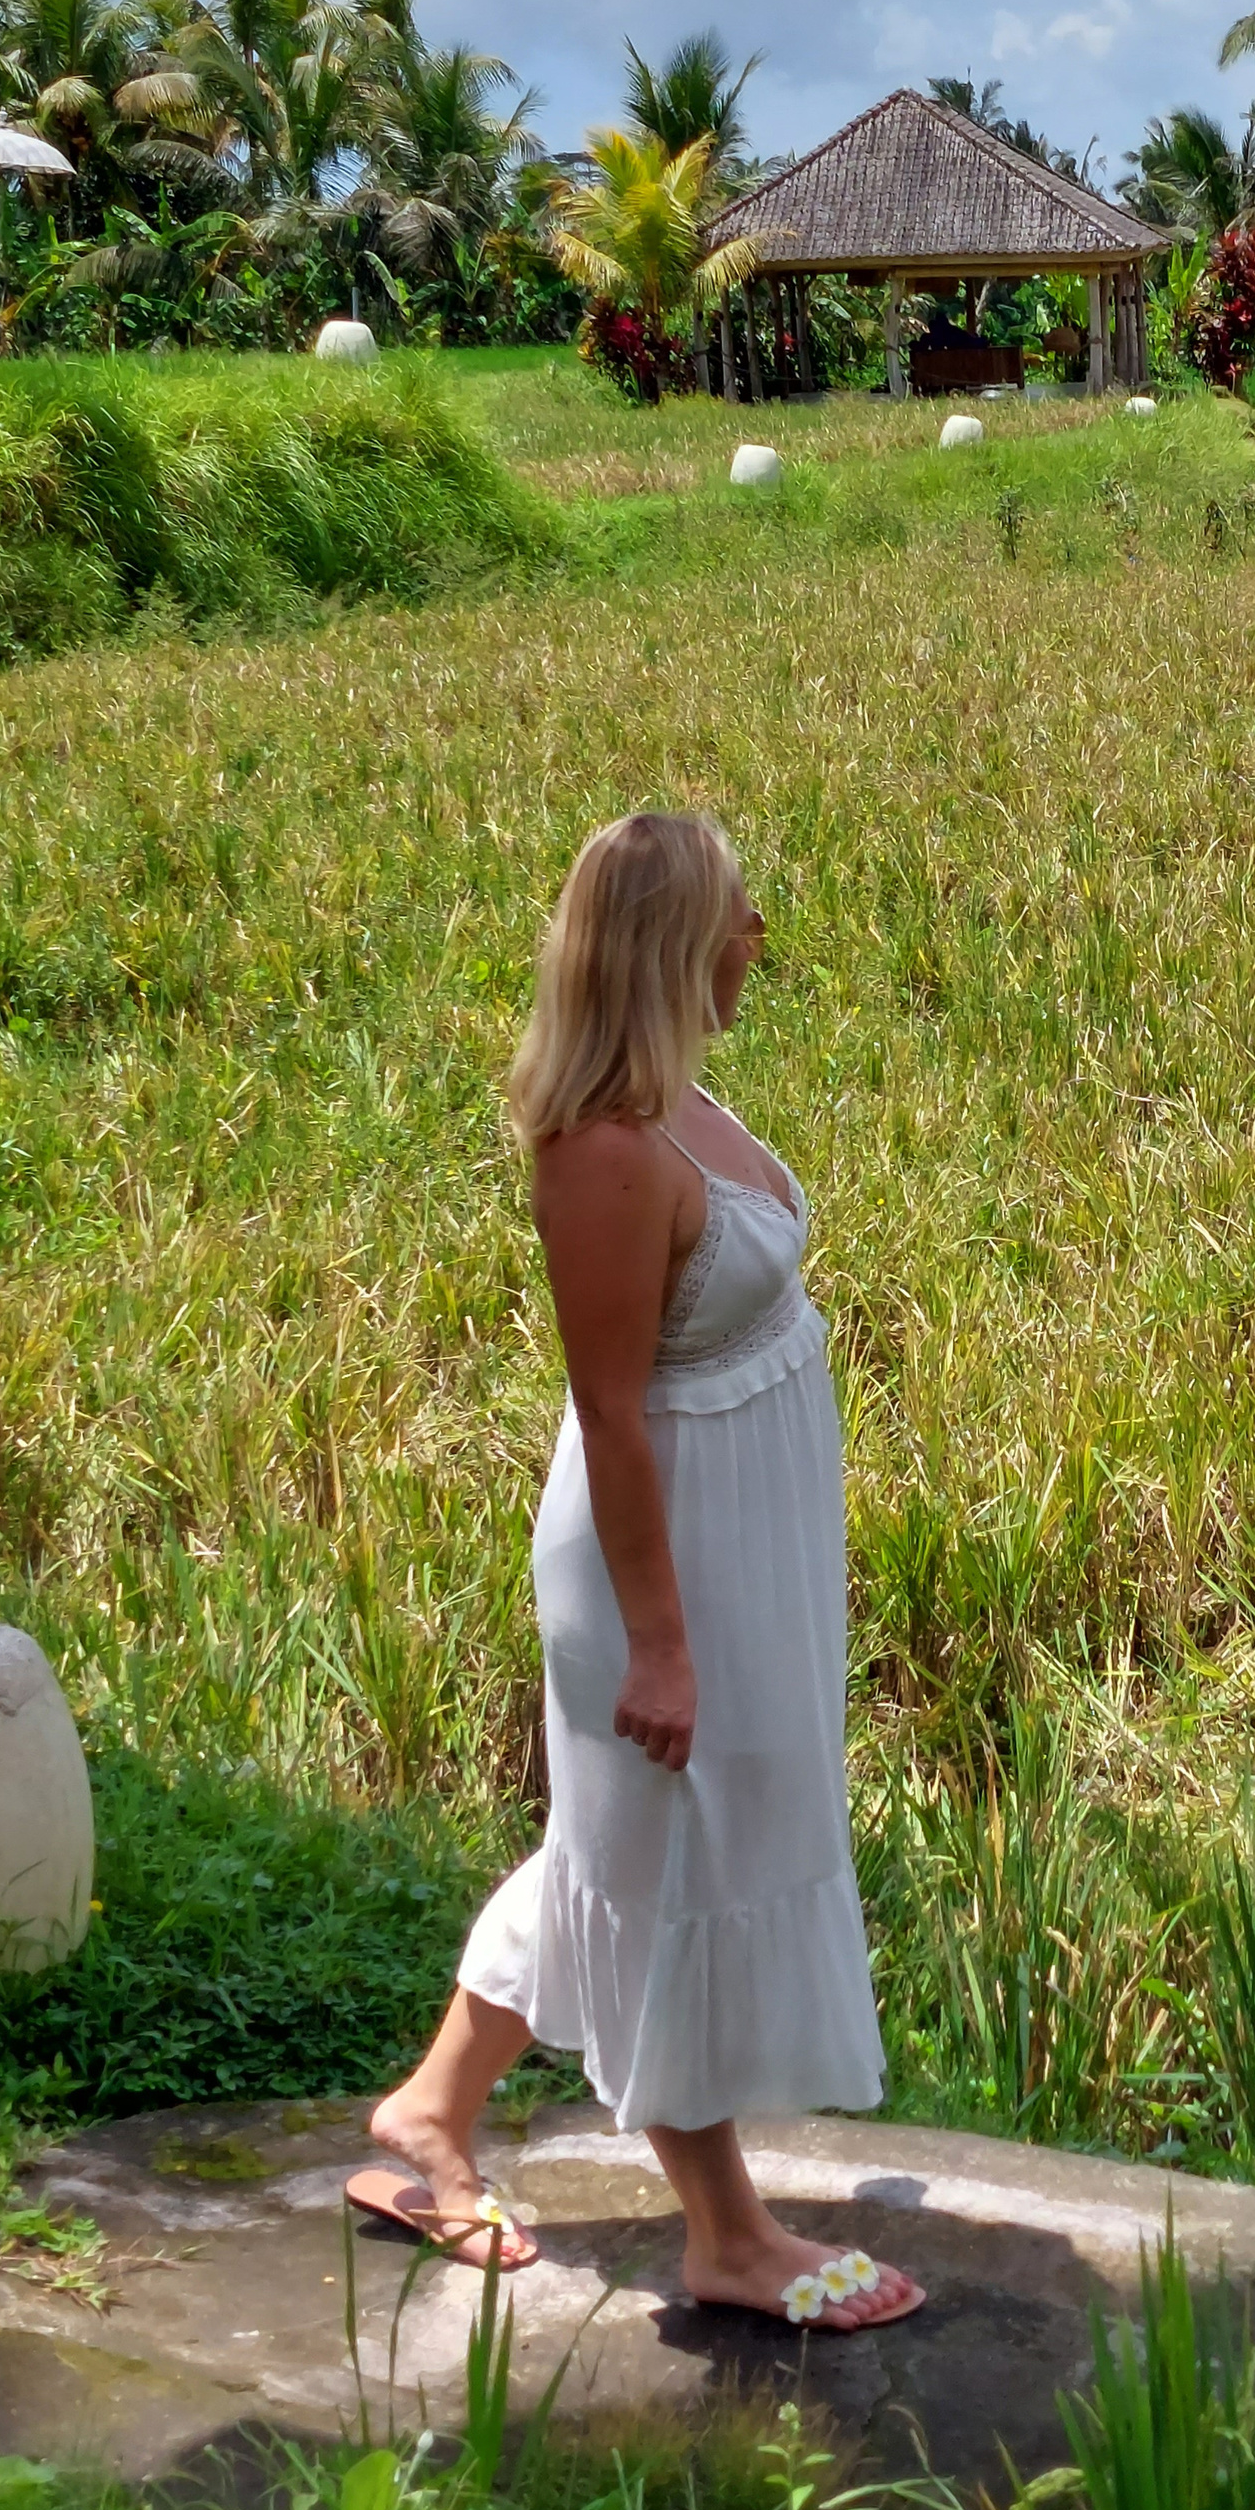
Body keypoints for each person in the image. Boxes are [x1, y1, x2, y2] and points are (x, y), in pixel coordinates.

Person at [354, 812, 922, 2331]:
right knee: (673, 1852)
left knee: (621, 1843)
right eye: (743, 912)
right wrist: (658, 1647)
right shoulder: (601, 1151)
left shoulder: (678, 1099)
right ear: (677, 942)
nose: (761, 936)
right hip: (656, 1561)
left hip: (744, 1544)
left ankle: (426, 2113)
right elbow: (608, 1411)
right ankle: (724, 2232)